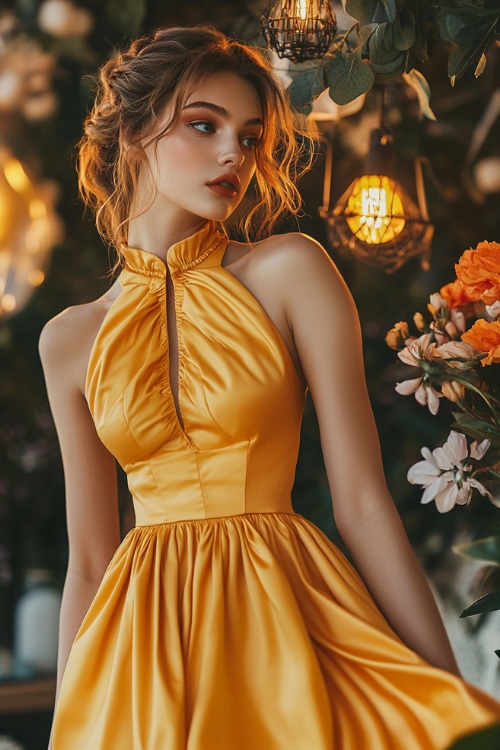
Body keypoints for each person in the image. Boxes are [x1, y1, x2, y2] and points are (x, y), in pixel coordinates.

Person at [39, 25, 500, 750]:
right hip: (137, 656)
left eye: (250, 137)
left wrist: (454, 702)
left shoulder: (290, 271)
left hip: (281, 616)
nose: (234, 154)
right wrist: (72, 718)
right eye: (204, 125)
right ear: (134, 132)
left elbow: (363, 504)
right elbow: (91, 560)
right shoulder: (67, 339)